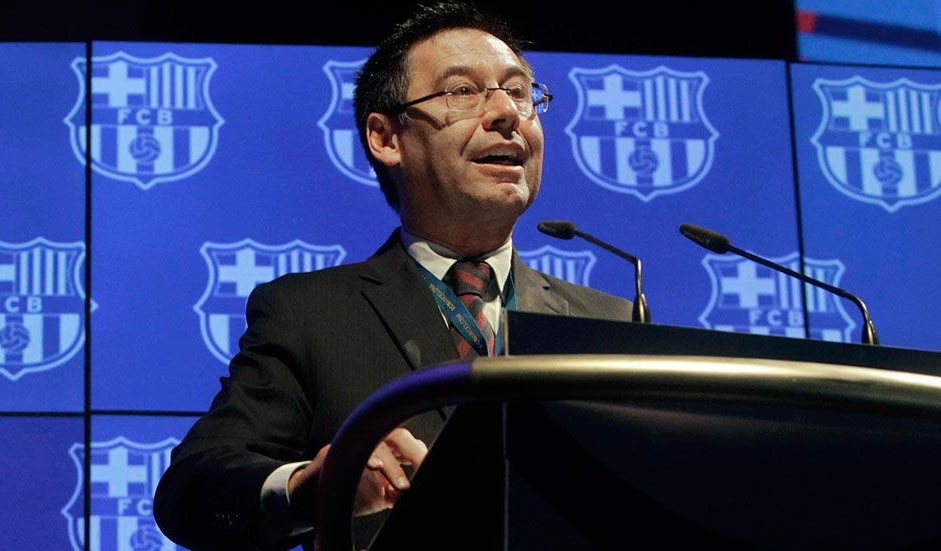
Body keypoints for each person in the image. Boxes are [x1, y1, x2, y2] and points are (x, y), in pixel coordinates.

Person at [153, 2, 633, 550]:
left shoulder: (610, 323)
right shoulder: (310, 315)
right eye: (462, 91)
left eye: (520, 92)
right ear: (386, 139)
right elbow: (191, 490)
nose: (506, 113)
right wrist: (314, 486)